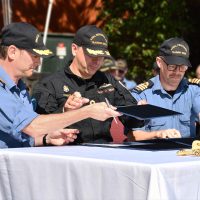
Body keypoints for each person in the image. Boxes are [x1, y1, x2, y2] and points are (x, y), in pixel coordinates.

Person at [0, 22, 121, 148]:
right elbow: (32, 127)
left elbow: (20, 137)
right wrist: (87, 112)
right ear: (12, 52)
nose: (39, 62)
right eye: (35, 55)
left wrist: (46, 139)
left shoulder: (19, 87)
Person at [33, 25, 143, 144]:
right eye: (91, 55)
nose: (97, 61)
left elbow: (132, 120)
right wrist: (64, 110)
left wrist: (140, 112)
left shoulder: (108, 80)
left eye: (101, 56)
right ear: (74, 49)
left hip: (103, 151)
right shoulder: (50, 84)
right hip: (67, 153)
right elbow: (38, 129)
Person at [130, 37, 200, 141]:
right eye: (172, 66)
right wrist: (158, 134)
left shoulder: (194, 90)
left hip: (187, 154)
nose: (177, 72)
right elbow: (132, 136)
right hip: (153, 154)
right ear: (159, 62)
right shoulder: (141, 94)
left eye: (182, 67)